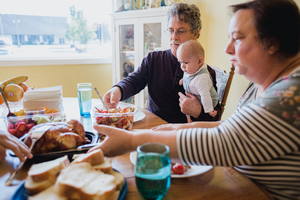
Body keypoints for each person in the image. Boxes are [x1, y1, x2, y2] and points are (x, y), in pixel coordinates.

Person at [90, 0, 300, 199]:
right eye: (171, 31)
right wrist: (176, 128)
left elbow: (223, 142)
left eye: (237, 38)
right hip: (237, 184)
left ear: (272, 42)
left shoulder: (290, 96)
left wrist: (131, 141)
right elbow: (231, 127)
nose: (227, 49)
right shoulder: (262, 86)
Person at [103, 3, 221, 123]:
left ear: (195, 33)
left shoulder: (205, 73)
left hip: (184, 136)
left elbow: (215, 116)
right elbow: (135, 81)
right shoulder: (153, 59)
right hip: (154, 129)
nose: (174, 37)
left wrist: (198, 111)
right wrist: (118, 90)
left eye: (180, 31)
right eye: (170, 31)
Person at [177, 40, 219, 123]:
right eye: (180, 62)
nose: (182, 66)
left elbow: (205, 95)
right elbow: (188, 76)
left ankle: (190, 123)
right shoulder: (191, 69)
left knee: (190, 111)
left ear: (200, 61)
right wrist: (183, 80)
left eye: (185, 62)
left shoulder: (201, 79)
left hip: (204, 101)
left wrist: (209, 110)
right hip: (193, 97)